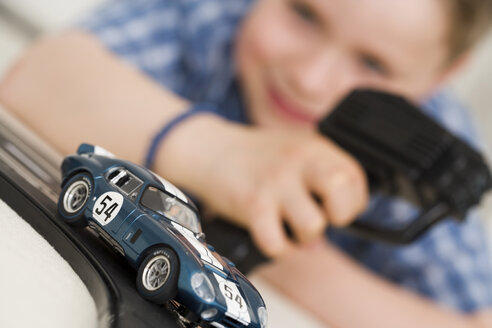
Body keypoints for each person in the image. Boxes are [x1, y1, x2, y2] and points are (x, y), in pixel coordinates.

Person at [1, 0, 492, 326]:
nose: (310, 79)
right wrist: (216, 155)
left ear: (440, 77)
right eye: (303, 12)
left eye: (373, 64)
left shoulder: (433, 153)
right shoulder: (210, 14)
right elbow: (38, 74)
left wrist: (287, 246)